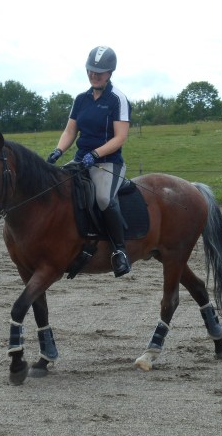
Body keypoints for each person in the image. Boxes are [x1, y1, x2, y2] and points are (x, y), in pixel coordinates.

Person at [46, 45, 132, 277]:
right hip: (80, 160)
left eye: (100, 72)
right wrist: (58, 151)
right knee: (56, 188)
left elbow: (120, 137)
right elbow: (70, 131)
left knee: (103, 198)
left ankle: (119, 251)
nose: (94, 75)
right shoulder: (81, 99)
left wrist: (95, 154)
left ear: (110, 73)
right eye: (91, 71)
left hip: (108, 163)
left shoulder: (118, 99)